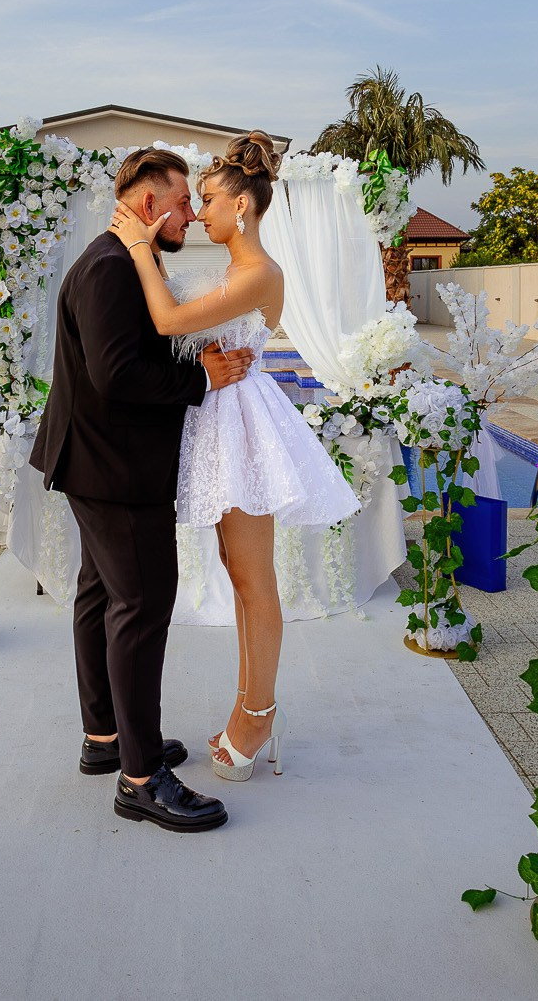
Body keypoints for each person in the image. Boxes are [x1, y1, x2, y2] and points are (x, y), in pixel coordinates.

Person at [108, 131, 359, 782]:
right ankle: (250, 703)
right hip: (225, 415)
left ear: (243, 207)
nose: (202, 212)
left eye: (212, 199)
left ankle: (258, 713)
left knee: (254, 579)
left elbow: (169, 321)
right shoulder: (237, 270)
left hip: (245, 425)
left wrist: (138, 245)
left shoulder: (258, 273)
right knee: (237, 571)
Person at [30, 146, 253, 833]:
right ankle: (141, 778)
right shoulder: (107, 267)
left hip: (101, 463)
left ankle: (108, 739)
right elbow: (118, 376)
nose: (192, 212)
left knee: (101, 597)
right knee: (142, 603)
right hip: (114, 470)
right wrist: (202, 380)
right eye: (185, 201)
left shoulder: (126, 259)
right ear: (151, 206)